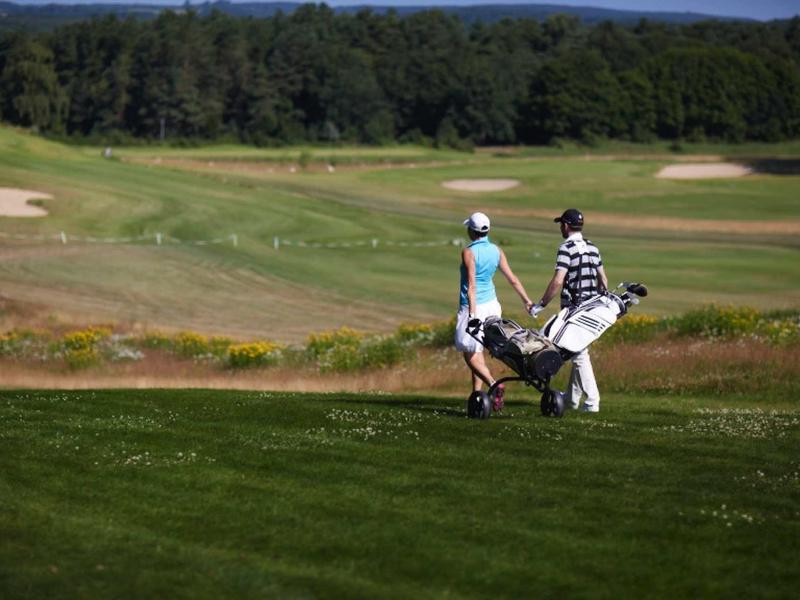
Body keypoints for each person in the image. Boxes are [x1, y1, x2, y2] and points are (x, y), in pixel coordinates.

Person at [529, 208, 608, 413]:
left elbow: (558, 281)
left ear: (566, 226)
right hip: (592, 307)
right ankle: (572, 399)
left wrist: (541, 304)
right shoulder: (593, 247)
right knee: (577, 349)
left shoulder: (566, 248)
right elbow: (603, 280)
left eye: (561, 224)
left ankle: (592, 401)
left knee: (579, 354)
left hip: (574, 309)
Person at [455, 212, 534, 411]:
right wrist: (527, 301)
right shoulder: (496, 250)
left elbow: (471, 286)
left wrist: (472, 316)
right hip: (492, 306)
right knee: (478, 350)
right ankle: (477, 396)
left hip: (474, 307)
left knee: (470, 354)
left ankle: (493, 384)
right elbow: (512, 279)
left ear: (471, 231)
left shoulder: (468, 252)